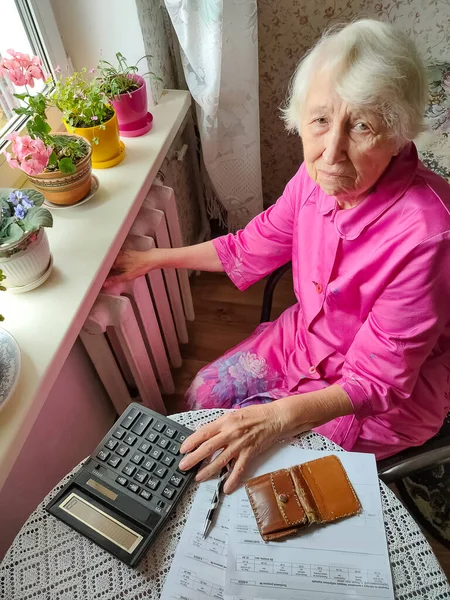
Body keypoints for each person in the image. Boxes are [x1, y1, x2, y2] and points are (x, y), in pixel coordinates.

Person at [106, 19, 450, 494]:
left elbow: (377, 381)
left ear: (396, 136)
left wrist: (272, 418)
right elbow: (248, 246)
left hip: (377, 398)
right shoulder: (313, 180)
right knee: (203, 395)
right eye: (321, 120)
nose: (331, 152)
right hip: (301, 342)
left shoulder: (429, 236)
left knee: (259, 484)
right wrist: (151, 259)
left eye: (362, 126)